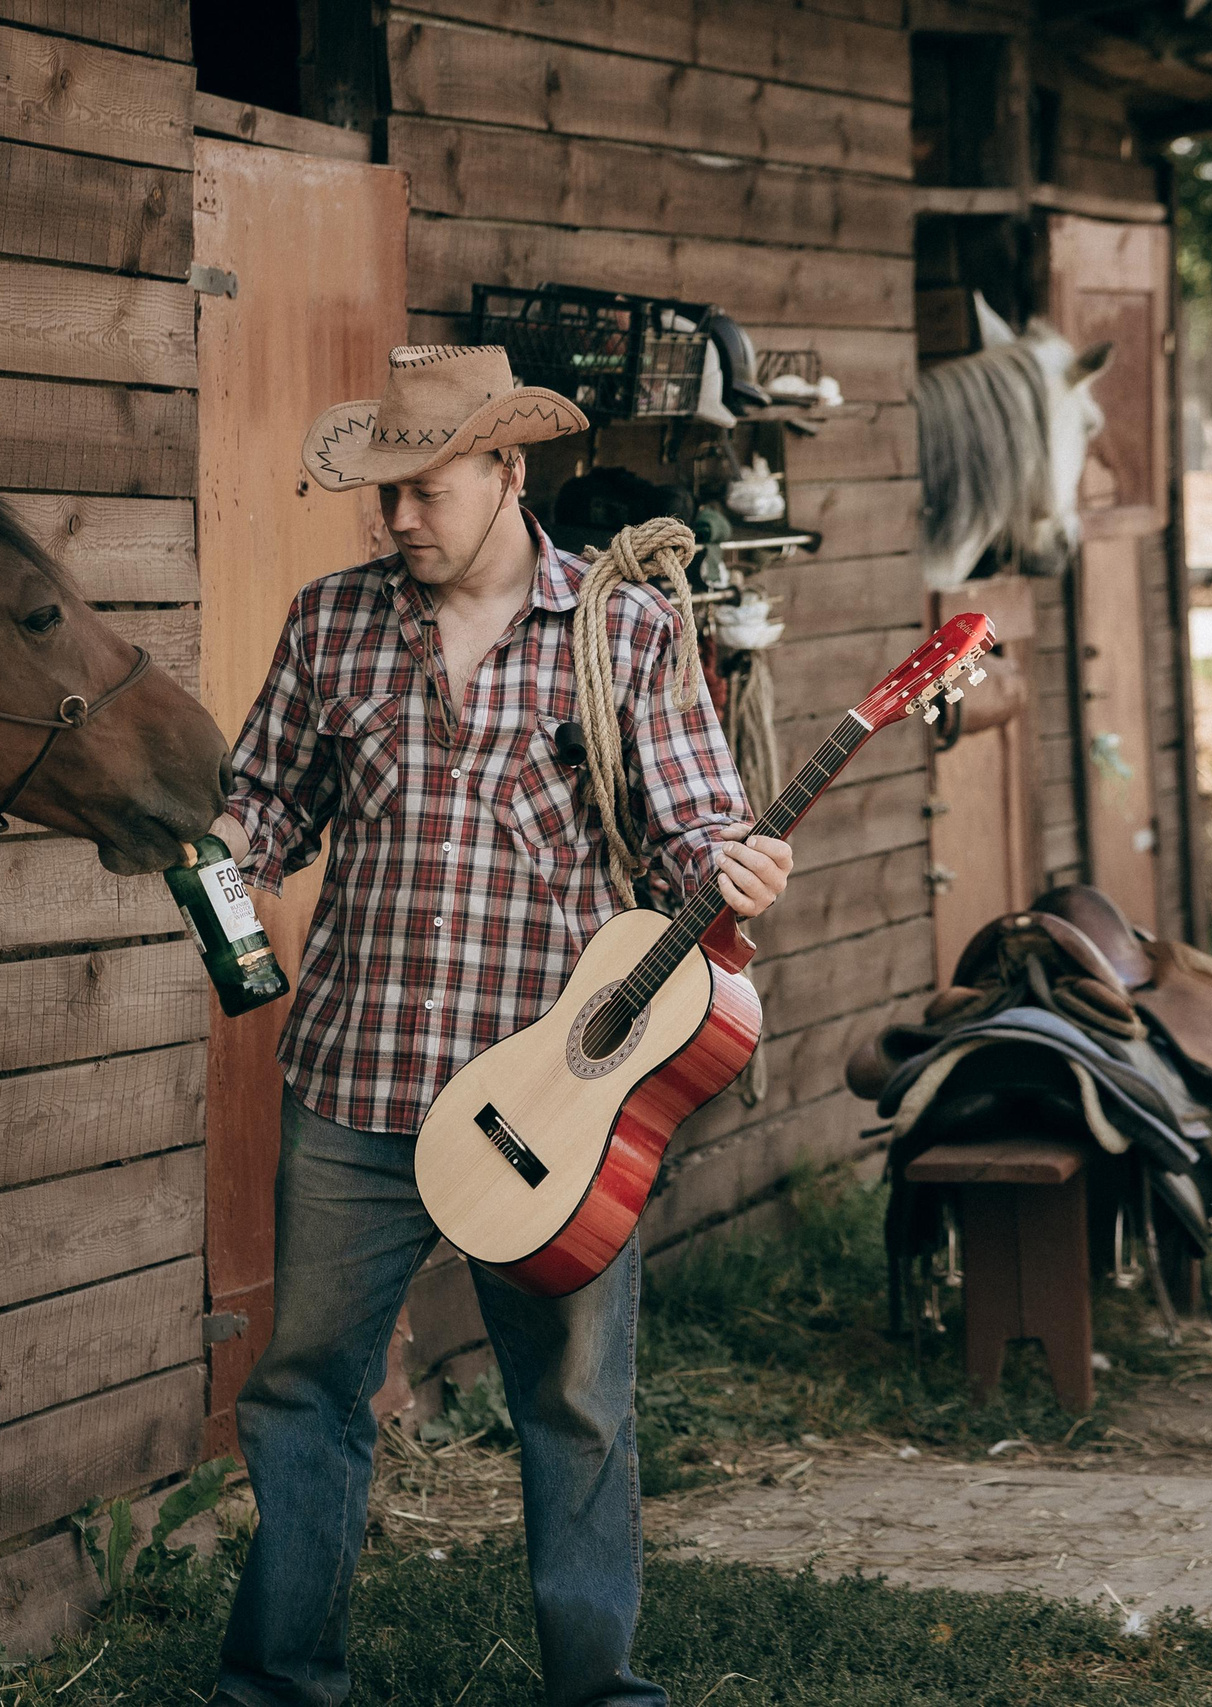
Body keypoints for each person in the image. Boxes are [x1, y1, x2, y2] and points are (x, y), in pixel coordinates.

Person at [206, 345, 792, 1707]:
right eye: (383, 495)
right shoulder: (328, 623)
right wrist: (228, 842)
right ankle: (279, 1689)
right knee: (306, 1395)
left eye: (425, 489)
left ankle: (599, 1695)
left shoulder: (628, 635)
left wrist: (736, 866)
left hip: (552, 1105)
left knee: (575, 1409)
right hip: (356, 1078)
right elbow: (270, 804)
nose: (397, 518)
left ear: (507, 471)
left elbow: (697, 827)